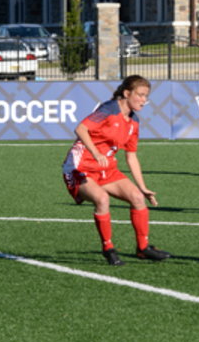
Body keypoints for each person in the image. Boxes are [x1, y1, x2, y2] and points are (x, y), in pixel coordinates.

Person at [62, 75, 171, 266]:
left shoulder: (133, 121)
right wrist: (95, 153)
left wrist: (143, 187)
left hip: (106, 168)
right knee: (102, 199)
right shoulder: (108, 109)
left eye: (146, 96)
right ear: (127, 93)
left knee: (137, 197)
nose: (144, 100)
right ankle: (108, 248)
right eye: (140, 95)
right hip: (79, 167)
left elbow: (131, 156)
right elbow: (81, 129)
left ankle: (143, 248)